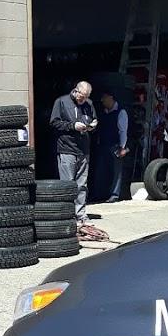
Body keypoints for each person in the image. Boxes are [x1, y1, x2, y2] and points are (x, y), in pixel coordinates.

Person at [49, 81, 108, 240]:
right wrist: (73, 126)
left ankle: (81, 215)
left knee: (82, 185)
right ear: (76, 91)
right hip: (67, 148)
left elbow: (93, 119)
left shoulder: (89, 104)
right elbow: (54, 123)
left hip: (84, 149)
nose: (83, 100)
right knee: (68, 184)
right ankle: (67, 215)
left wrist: (93, 125)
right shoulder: (61, 102)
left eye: (86, 97)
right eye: (82, 97)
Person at [94, 91, 129, 202]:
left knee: (116, 172)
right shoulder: (103, 112)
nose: (102, 100)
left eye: (104, 98)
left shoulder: (121, 112)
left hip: (115, 146)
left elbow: (123, 131)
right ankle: (99, 194)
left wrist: (122, 147)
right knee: (101, 171)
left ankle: (114, 194)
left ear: (111, 97)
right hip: (103, 144)